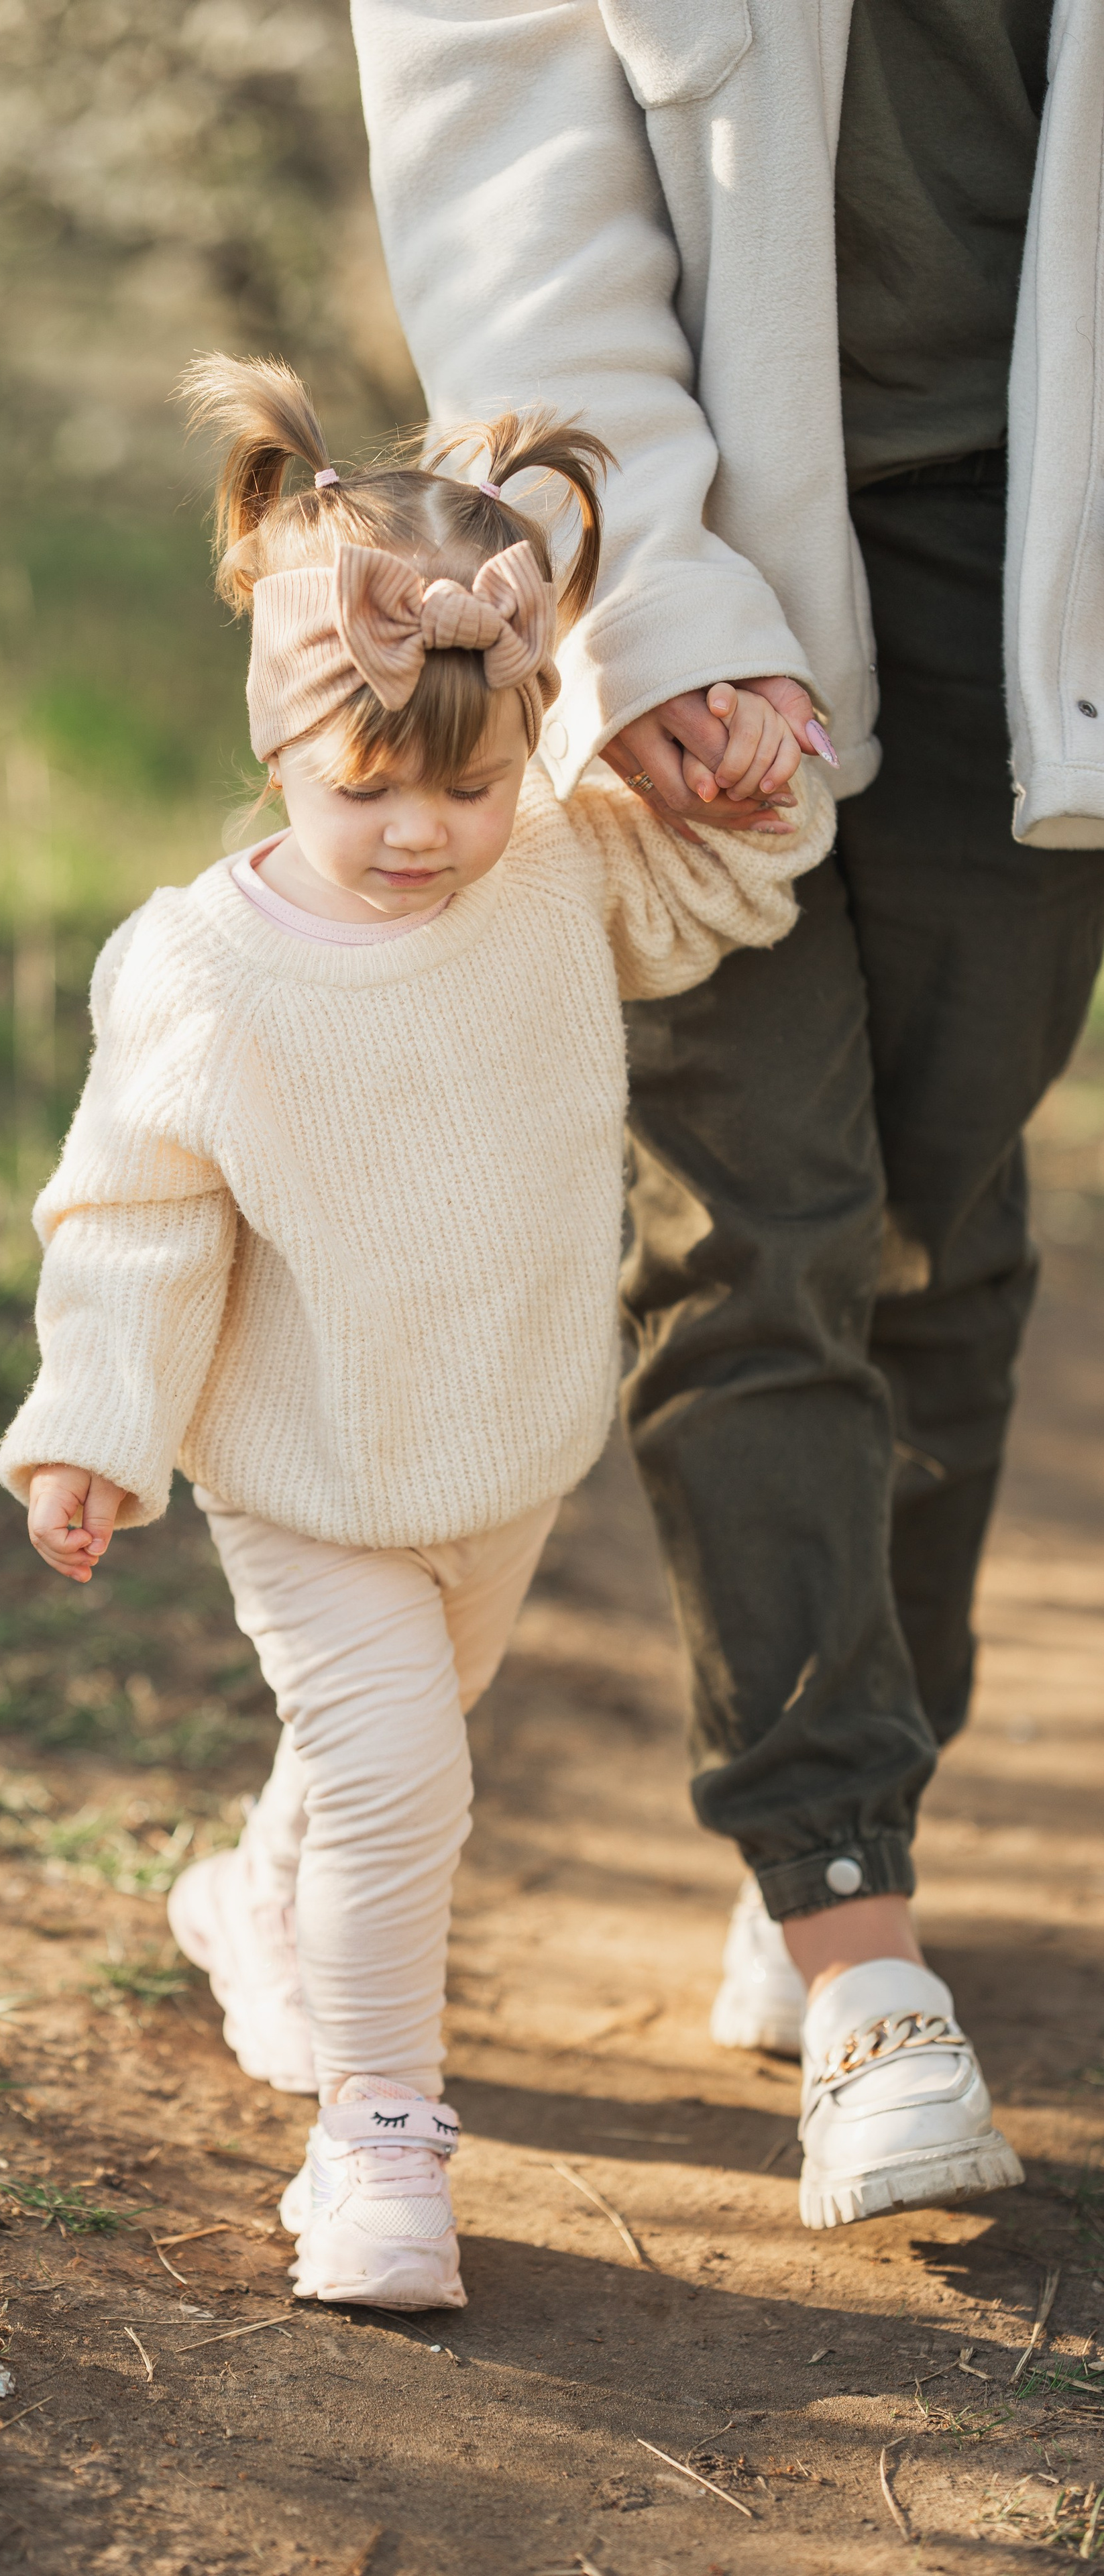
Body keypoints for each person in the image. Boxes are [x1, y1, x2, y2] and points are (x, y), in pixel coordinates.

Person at [348, 0, 1104, 2226]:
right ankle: (853, 1924)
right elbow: (503, 165)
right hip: (679, 511)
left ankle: (853, 1794)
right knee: (754, 1214)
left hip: (1046, 558)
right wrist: (650, 611)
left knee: (936, 1227)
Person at [0, 354, 836, 2309]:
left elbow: (730, 884)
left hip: (504, 1440)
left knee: (391, 1742)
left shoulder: (547, 873)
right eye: (374, 787)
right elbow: (130, 1218)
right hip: (302, 1458)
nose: (422, 834)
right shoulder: (203, 970)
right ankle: (378, 2141)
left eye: (470, 785)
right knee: (403, 1776)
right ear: (282, 740)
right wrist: (92, 1427)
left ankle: (251, 1897)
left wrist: (737, 774)